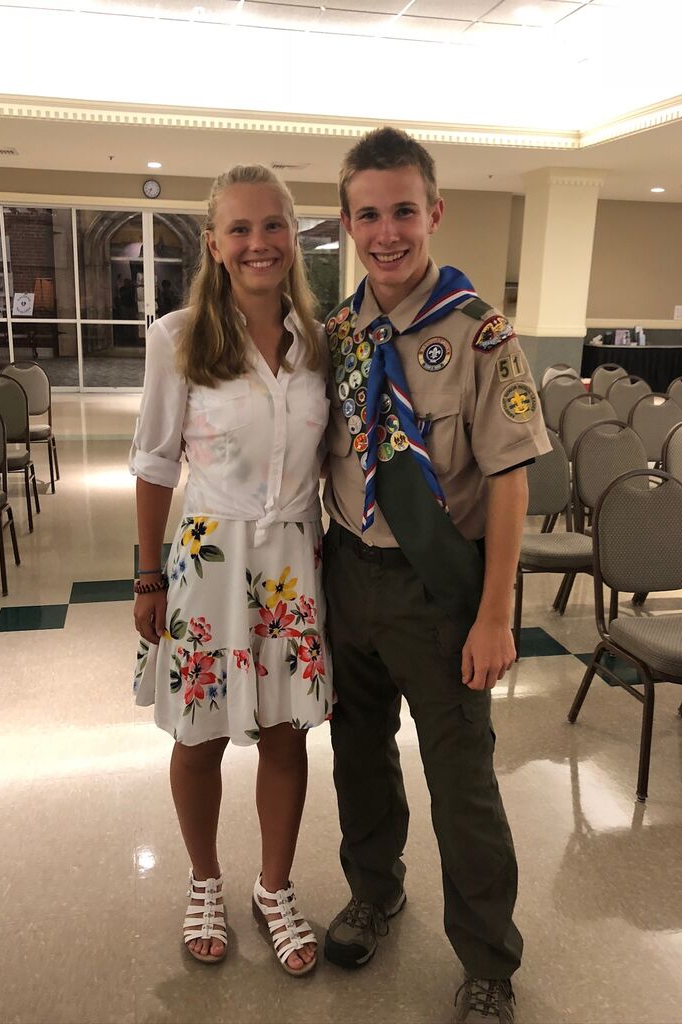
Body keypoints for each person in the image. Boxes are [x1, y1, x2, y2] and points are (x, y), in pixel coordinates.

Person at [321, 127, 550, 1022]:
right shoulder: (338, 334)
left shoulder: (481, 332)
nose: (387, 232)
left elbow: (508, 481)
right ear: (347, 222)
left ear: (434, 213)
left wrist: (497, 615)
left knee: (462, 782)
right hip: (348, 577)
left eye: (404, 211)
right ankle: (375, 892)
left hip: (440, 591)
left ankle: (489, 960)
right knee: (359, 758)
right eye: (369, 213)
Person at [129, 164, 332, 976]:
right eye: (240, 229)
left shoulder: (324, 343)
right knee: (201, 733)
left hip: (291, 563)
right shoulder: (178, 337)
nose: (259, 244)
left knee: (285, 734)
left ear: (295, 236)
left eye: (273, 226)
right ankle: (205, 878)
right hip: (207, 563)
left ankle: (274, 887)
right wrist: (147, 579)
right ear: (213, 243)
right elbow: (151, 466)